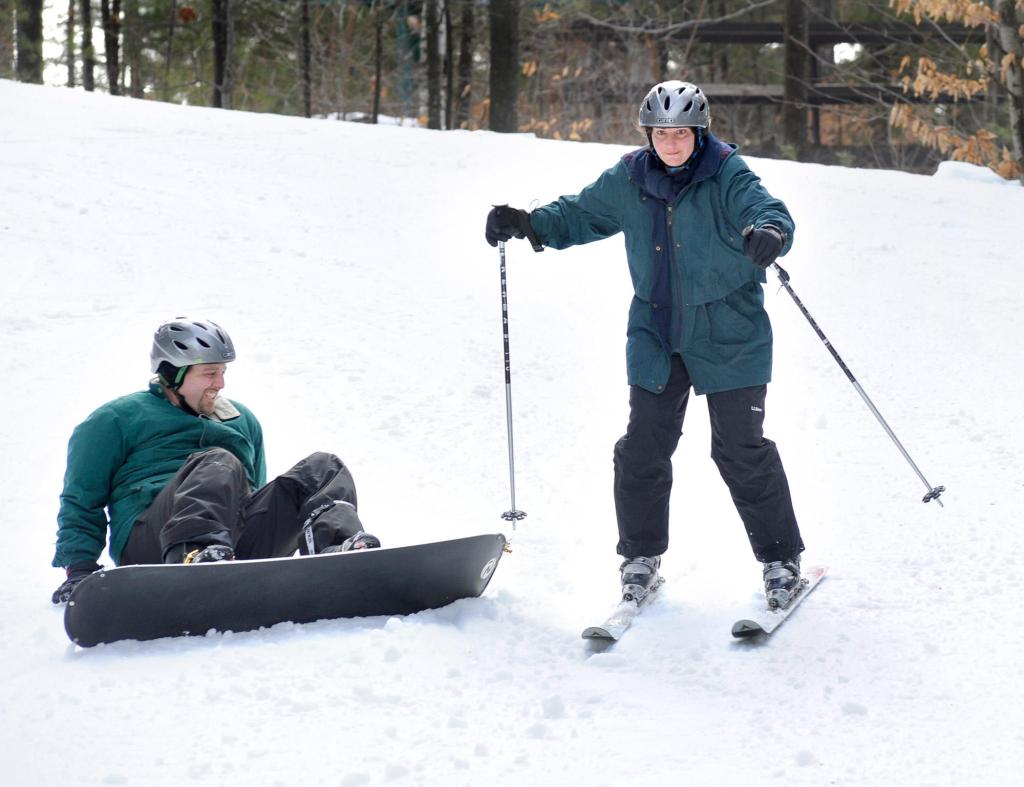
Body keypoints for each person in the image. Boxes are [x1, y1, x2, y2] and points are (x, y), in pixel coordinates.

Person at [485, 81, 805, 609]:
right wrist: (526, 222)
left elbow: (765, 208)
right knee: (642, 450)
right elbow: (580, 213)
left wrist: (769, 232)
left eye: (681, 133)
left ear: (698, 134)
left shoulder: (726, 172)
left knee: (740, 450)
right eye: (661, 133)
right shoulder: (630, 177)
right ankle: (640, 558)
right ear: (648, 135)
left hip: (729, 330)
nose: (671, 144)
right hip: (656, 331)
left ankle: (781, 561)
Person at [51, 317, 380, 604]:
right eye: (209, 373)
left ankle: (338, 554)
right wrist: (79, 569)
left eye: (222, 373)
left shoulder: (241, 420)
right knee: (218, 461)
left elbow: (254, 494)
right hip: (152, 544)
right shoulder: (117, 419)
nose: (220, 384)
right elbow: (82, 499)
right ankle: (195, 556)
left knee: (323, 467)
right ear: (173, 374)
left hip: (234, 543)